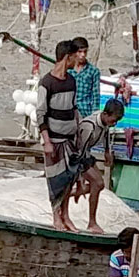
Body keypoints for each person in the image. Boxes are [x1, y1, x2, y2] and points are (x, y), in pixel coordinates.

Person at [58, 99, 124, 233]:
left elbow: (106, 134)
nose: (114, 123)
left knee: (99, 185)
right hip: (74, 155)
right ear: (105, 114)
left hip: (86, 154)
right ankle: (91, 221)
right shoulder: (89, 126)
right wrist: (80, 177)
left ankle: (69, 195)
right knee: (97, 182)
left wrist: (107, 152)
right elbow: (78, 152)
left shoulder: (105, 123)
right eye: (113, 120)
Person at [39, 41, 83, 225]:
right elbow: (41, 112)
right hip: (54, 140)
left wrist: (78, 128)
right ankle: (56, 216)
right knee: (55, 180)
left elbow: (73, 108)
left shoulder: (72, 81)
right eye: (74, 56)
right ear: (68, 57)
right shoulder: (46, 83)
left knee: (69, 178)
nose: (77, 59)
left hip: (70, 138)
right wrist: (47, 141)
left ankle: (66, 215)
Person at [71, 37, 104, 119]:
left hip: (85, 114)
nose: (83, 55)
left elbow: (96, 97)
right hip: (69, 113)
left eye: (85, 52)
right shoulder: (68, 70)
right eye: (80, 52)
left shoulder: (93, 71)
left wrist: (93, 118)